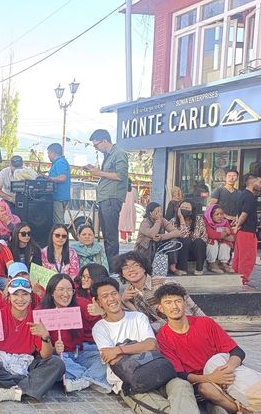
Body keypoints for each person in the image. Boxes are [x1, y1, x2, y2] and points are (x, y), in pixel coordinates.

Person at [91, 278, 231, 414]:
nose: (111, 299)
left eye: (113, 293)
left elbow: (151, 344)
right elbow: (113, 360)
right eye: (105, 296)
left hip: (159, 372)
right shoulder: (100, 328)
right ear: (98, 302)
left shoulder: (138, 317)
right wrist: (135, 348)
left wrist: (119, 349)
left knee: (182, 387)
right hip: (131, 383)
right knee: (160, 407)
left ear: (119, 295)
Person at [155, 283, 259, 414]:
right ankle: (250, 413)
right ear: (161, 308)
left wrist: (228, 368)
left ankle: (217, 405)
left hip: (223, 370)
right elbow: (180, 374)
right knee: (207, 389)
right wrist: (211, 378)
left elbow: (237, 351)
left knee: (247, 382)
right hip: (200, 380)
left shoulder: (205, 323)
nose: (174, 306)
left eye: (178, 301)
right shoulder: (163, 337)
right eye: (168, 302)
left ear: (185, 303)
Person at [0, 277, 65, 402]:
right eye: (16, 294)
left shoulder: (36, 318)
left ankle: (14, 391)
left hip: (26, 363)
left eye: (25, 294)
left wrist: (45, 336)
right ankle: (28, 386)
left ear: (31, 297)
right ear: (9, 297)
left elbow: (45, 355)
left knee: (57, 364)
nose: (20, 299)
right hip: (1, 363)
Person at [37, 274, 110, 393]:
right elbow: (40, 349)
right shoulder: (41, 311)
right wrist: (54, 348)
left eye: (69, 289)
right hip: (58, 357)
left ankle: (84, 380)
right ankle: (92, 377)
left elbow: (107, 324)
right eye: (61, 289)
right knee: (56, 365)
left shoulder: (80, 303)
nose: (66, 294)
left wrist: (101, 313)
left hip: (78, 353)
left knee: (107, 358)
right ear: (51, 292)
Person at [116, 251, 204, 330]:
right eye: (125, 267)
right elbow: (143, 322)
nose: (131, 269)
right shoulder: (128, 294)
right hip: (160, 334)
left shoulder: (165, 283)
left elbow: (190, 308)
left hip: (187, 327)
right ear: (122, 274)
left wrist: (207, 325)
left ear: (144, 268)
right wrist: (125, 302)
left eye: (136, 265)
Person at [84, 129, 128, 262]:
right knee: (106, 235)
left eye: (96, 145)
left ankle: (114, 266)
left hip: (111, 198)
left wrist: (98, 172)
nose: (96, 148)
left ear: (104, 140)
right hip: (105, 198)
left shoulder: (119, 153)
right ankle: (109, 263)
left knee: (110, 235)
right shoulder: (109, 155)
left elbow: (120, 175)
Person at [135, 202, 183, 275]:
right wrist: (157, 221)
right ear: (150, 213)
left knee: (174, 241)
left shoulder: (163, 220)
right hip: (145, 249)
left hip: (158, 245)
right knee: (151, 241)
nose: (160, 214)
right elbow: (152, 234)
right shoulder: (145, 222)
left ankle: (172, 267)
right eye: (157, 212)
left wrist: (162, 237)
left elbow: (177, 232)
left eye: (160, 211)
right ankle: (148, 267)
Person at [232, 174, 260, 286]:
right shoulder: (250, 196)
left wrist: (237, 226)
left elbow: (239, 213)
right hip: (247, 231)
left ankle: (236, 277)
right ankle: (242, 279)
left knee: (239, 256)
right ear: (253, 183)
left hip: (242, 232)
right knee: (248, 257)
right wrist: (238, 225)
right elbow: (244, 214)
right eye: (259, 182)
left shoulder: (242, 194)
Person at [171, 201, 207, 275]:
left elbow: (198, 236)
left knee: (199, 241)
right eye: (182, 207)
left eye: (187, 208)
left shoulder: (198, 219)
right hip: (181, 252)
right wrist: (181, 219)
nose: (184, 209)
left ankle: (199, 269)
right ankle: (182, 268)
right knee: (185, 240)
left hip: (196, 251)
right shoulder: (173, 221)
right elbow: (183, 236)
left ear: (191, 211)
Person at [203, 203, 235, 274]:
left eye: (221, 214)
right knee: (213, 241)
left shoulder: (225, 222)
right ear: (211, 215)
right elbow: (212, 235)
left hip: (220, 244)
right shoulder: (206, 221)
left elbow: (233, 237)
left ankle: (223, 263)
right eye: (217, 214)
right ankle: (211, 263)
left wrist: (222, 236)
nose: (220, 216)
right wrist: (226, 233)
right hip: (207, 245)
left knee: (225, 244)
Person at [45, 143, 71, 225]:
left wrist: (49, 178)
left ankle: (60, 236)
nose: (48, 156)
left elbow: (62, 178)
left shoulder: (60, 162)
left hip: (59, 197)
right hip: (59, 196)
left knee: (58, 223)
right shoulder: (58, 162)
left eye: (48, 153)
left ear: (53, 152)